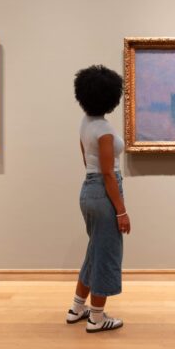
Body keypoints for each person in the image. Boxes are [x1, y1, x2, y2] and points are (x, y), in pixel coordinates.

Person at [66, 64, 130, 333]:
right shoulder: (103, 130)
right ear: (112, 97)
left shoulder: (85, 123)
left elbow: (87, 160)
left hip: (88, 191)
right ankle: (97, 316)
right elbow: (107, 174)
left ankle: (77, 306)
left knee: (95, 249)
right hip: (104, 193)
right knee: (106, 253)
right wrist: (121, 211)